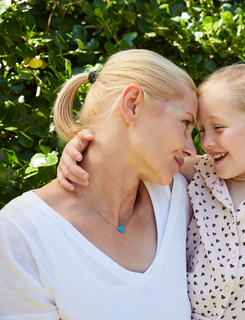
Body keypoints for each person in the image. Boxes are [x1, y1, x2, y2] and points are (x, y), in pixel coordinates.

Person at [56, 62, 245, 319]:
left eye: (218, 127)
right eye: (201, 130)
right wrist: (82, 151)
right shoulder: (201, 173)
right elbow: (126, 156)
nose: (205, 142)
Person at [0, 49, 198, 319]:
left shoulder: (179, 195)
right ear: (132, 105)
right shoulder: (22, 233)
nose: (191, 148)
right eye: (185, 124)